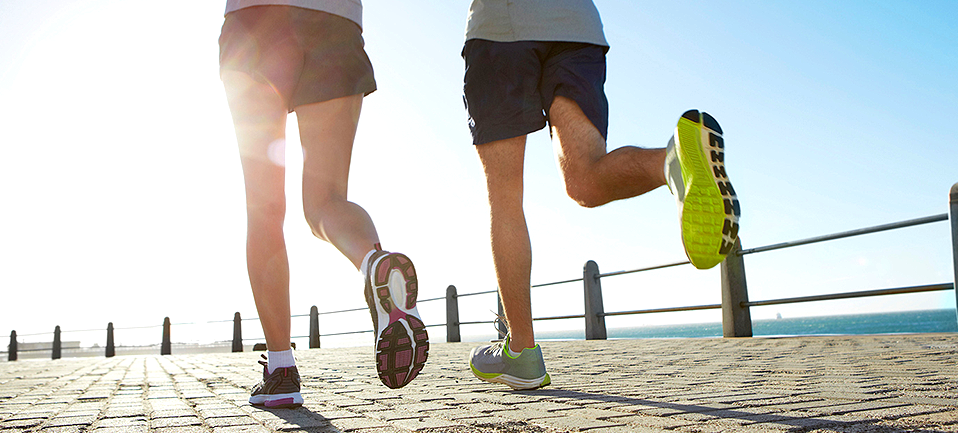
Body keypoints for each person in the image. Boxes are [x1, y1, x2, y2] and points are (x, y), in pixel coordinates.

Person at [463, 0, 740, 390]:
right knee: (585, 180)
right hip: (578, 28)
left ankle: (521, 352)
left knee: (505, 198)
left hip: (501, 30)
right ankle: (671, 162)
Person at [219, 1, 429, 408]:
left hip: (256, 22)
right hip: (334, 21)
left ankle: (281, 371)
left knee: (264, 210)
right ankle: (372, 263)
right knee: (326, 201)